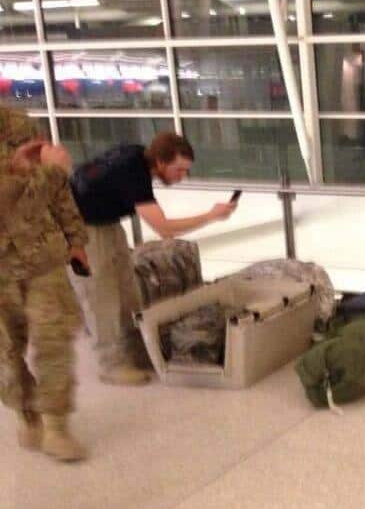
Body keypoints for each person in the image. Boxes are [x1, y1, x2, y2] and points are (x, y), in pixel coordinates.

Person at [67, 133, 237, 386]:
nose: (181, 176)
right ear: (160, 161)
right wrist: (210, 216)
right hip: (80, 231)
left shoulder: (137, 157)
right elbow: (165, 229)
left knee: (128, 291)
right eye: (178, 170)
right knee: (101, 297)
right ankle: (111, 365)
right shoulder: (132, 172)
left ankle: (137, 352)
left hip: (106, 222)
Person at [1, 128, 90, 461]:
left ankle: (56, 426)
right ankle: (28, 415)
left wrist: (76, 238)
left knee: (54, 338)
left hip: (42, 261)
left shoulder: (14, 125)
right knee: (6, 353)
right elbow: (11, 207)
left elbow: (57, 194)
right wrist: (53, 171)